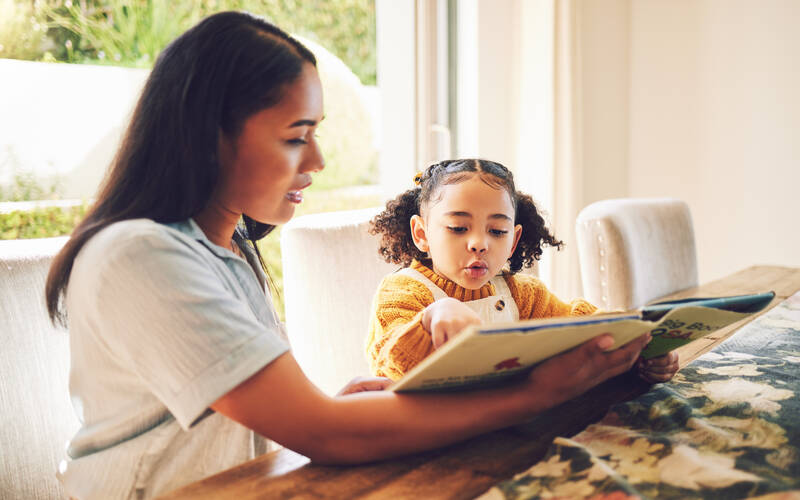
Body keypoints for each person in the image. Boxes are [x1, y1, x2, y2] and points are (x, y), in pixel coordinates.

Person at [46, 12, 651, 500]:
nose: (317, 162)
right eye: (294, 136)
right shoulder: (142, 256)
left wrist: (326, 409)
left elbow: (263, 422)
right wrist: (535, 394)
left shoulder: (227, 252)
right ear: (208, 136)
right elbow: (321, 435)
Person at [366, 158, 679, 383]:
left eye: (497, 232)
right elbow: (394, 364)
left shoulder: (521, 294)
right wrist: (431, 318)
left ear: (513, 240)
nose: (479, 243)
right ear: (422, 234)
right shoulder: (403, 292)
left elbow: (579, 327)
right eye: (459, 228)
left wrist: (640, 347)